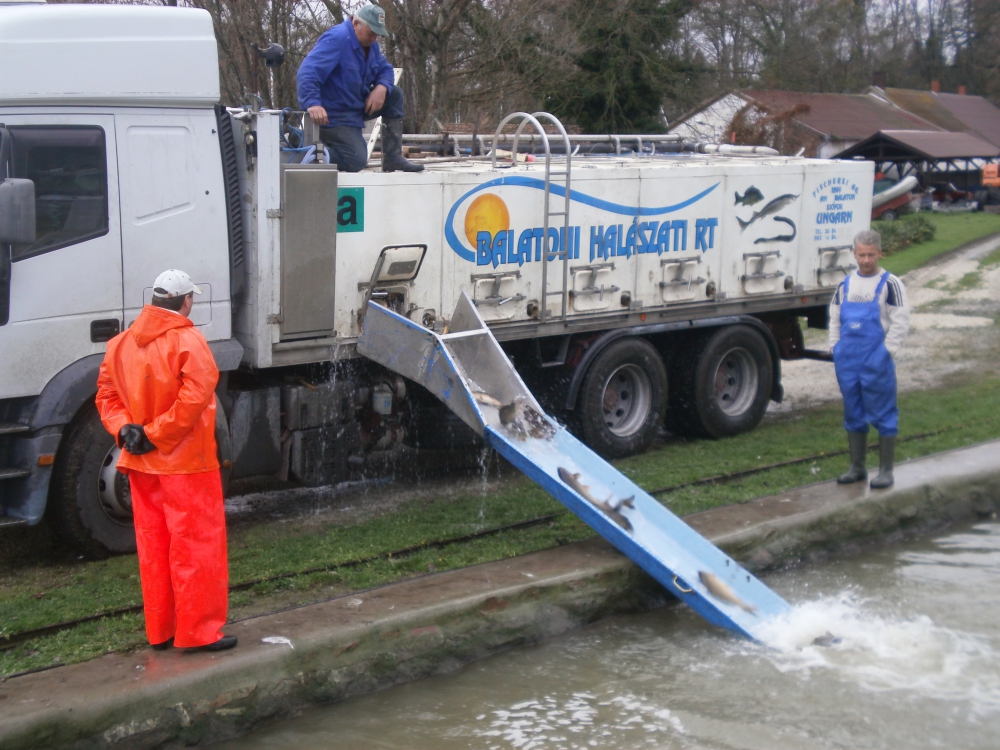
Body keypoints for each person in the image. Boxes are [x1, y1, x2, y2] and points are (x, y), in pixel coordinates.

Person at [96, 270, 235, 652]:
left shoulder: (120, 344)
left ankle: (162, 631)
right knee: (195, 547)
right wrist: (155, 435)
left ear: (155, 300)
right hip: (186, 464)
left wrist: (127, 431)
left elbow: (106, 395)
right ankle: (198, 633)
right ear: (185, 301)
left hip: (141, 466)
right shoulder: (188, 340)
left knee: (154, 547)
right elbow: (195, 397)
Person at [296, 3, 423, 173]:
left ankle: (393, 158)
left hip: (355, 107)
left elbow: (385, 69)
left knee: (395, 95)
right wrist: (313, 103)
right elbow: (308, 71)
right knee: (355, 160)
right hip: (334, 115)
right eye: (371, 33)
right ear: (356, 24)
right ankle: (310, 150)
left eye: (377, 35)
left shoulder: (370, 45)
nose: (374, 39)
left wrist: (381, 88)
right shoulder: (337, 39)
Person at [830, 229, 910, 489]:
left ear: (880, 253)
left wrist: (887, 351)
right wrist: (835, 348)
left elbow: (900, 322)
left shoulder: (891, 284)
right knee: (853, 411)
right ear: (854, 254)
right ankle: (857, 467)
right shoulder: (845, 285)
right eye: (861, 255)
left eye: (871, 255)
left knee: (884, 413)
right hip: (848, 360)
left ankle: (886, 471)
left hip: (876, 358)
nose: (866, 260)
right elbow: (834, 318)